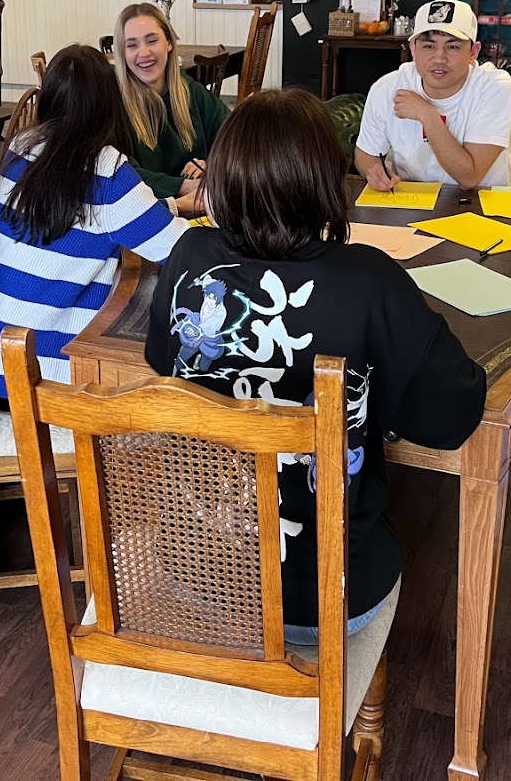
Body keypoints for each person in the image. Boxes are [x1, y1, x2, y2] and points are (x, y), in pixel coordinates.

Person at [145, 88, 487, 641]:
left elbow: (165, 364)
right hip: (325, 597)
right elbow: (450, 419)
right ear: (325, 180)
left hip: (196, 570)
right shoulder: (369, 279)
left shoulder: (189, 256)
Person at [0, 44, 188, 401]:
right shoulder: (106, 169)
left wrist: (170, 205)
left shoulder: (22, 147)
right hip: (36, 375)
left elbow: (93, 219)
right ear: (110, 103)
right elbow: (179, 251)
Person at [354, 0, 511, 191]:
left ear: (473, 52)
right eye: (428, 46)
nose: (439, 58)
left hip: (479, 202)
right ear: (413, 49)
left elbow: (469, 177)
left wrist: (428, 115)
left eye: (452, 46)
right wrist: (373, 171)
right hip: (411, 201)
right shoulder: (387, 87)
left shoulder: (496, 88)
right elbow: (365, 155)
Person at [113, 2, 228, 214]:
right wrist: (182, 186)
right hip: (146, 219)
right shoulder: (115, 106)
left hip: (202, 213)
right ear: (122, 53)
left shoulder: (192, 92)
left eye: (152, 40)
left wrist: (211, 165)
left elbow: (234, 138)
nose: (144, 52)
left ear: (169, 43)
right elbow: (119, 174)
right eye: (132, 45)